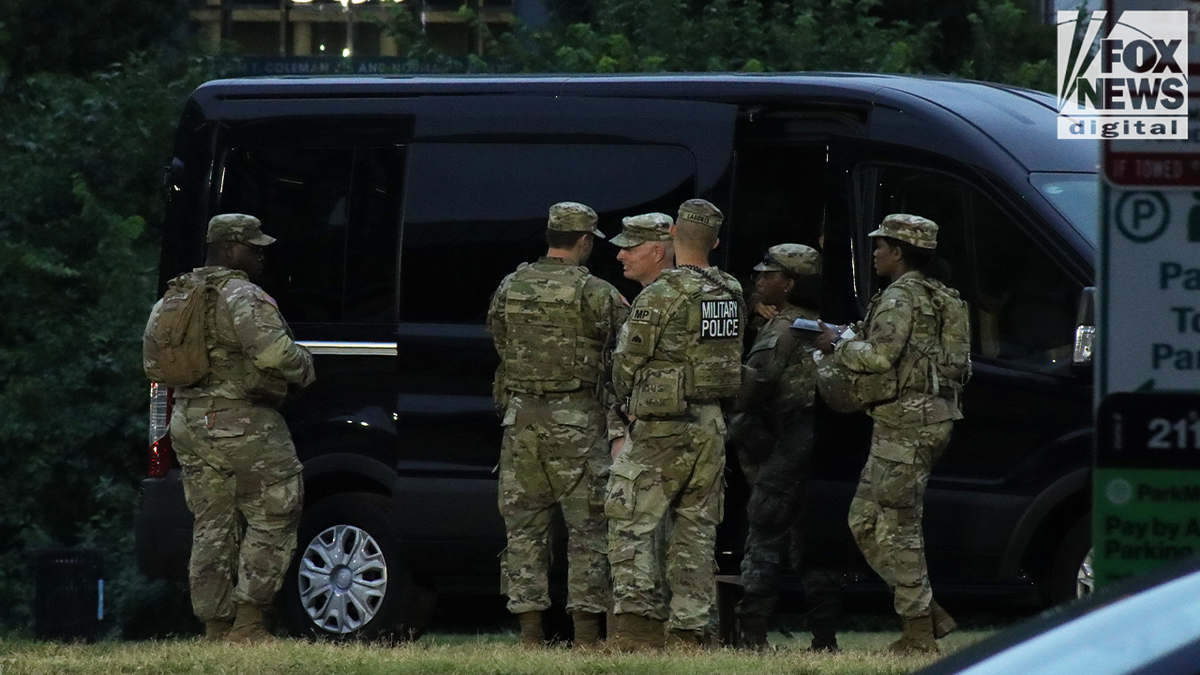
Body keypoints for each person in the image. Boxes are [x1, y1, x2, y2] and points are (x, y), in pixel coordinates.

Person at [148, 213, 316, 642]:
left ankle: (214, 626)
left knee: (211, 524)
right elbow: (277, 354)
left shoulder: (174, 296)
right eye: (253, 247)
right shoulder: (243, 295)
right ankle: (249, 621)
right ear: (229, 249)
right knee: (276, 511)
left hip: (186, 420)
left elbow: (152, 363)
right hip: (243, 422)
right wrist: (306, 368)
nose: (261, 256)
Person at [815, 214, 968, 654]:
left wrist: (837, 344)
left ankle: (919, 632)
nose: (875, 253)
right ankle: (927, 611)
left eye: (880, 246)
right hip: (931, 418)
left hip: (907, 423)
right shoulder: (942, 296)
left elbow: (881, 358)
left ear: (899, 252)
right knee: (863, 520)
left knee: (900, 526)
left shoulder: (901, 297)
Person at [486, 202, 628, 648]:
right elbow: (623, 353)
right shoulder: (597, 293)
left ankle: (530, 634)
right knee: (588, 531)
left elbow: (500, 341)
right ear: (584, 241)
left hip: (521, 423)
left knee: (524, 530)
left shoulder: (510, 285)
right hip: (579, 426)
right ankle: (586, 636)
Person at [606, 199, 745, 651]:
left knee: (628, 518)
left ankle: (636, 629)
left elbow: (628, 360)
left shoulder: (663, 293)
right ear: (716, 241)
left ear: (672, 237)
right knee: (696, 529)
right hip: (710, 423)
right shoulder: (730, 289)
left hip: (664, 425)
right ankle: (690, 629)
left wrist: (626, 401)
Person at [730, 244, 844, 651]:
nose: (759, 279)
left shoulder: (782, 329)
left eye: (769, 274)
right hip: (818, 445)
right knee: (810, 538)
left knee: (764, 531)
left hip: (785, 444)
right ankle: (825, 636)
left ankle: (753, 632)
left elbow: (752, 387)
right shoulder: (819, 326)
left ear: (790, 283)